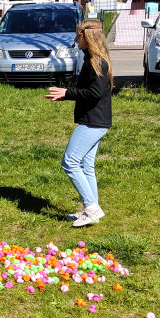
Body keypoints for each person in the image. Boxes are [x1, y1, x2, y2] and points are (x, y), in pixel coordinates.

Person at [44, 19, 112, 228]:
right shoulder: (91, 58)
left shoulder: (97, 62)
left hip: (93, 121)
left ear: (85, 36)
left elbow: (95, 93)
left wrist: (67, 93)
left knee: (70, 162)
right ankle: (91, 210)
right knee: (86, 165)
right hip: (96, 119)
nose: (75, 39)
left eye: (77, 35)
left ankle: (92, 208)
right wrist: (67, 96)